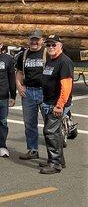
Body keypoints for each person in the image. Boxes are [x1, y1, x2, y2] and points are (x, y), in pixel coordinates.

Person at [38, 35, 73, 174]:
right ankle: (58, 160)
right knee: (56, 133)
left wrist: (60, 105)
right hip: (48, 102)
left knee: (49, 132)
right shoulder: (50, 61)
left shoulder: (64, 61)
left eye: (54, 45)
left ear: (60, 46)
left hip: (57, 104)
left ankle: (55, 164)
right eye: (49, 45)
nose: (51, 47)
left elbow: (66, 86)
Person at [16, 30, 46, 160]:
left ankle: (54, 155)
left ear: (42, 40)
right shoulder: (23, 55)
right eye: (32, 39)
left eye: (37, 39)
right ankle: (33, 150)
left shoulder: (47, 53)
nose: (34, 42)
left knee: (50, 125)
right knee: (29, 124)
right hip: (28, 92)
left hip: (44, 92)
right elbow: (19, 72)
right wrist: (19, 86)